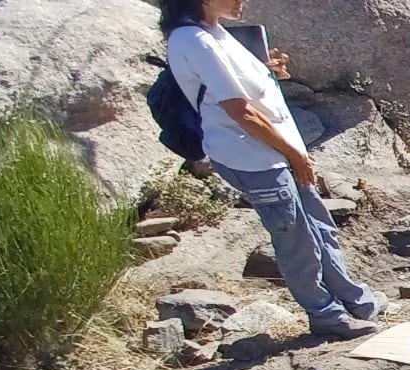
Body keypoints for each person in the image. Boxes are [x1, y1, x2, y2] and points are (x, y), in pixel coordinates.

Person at [159, 0, 380, 339]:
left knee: (319, 227)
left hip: (276, 151)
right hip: (253, 157)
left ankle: (356, 301)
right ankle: (326, 316)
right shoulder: (194, 40)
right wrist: (295, 155)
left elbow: (233, 88)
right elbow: (241, 112)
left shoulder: (215, 32)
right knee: (296, 239)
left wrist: (264, 70)